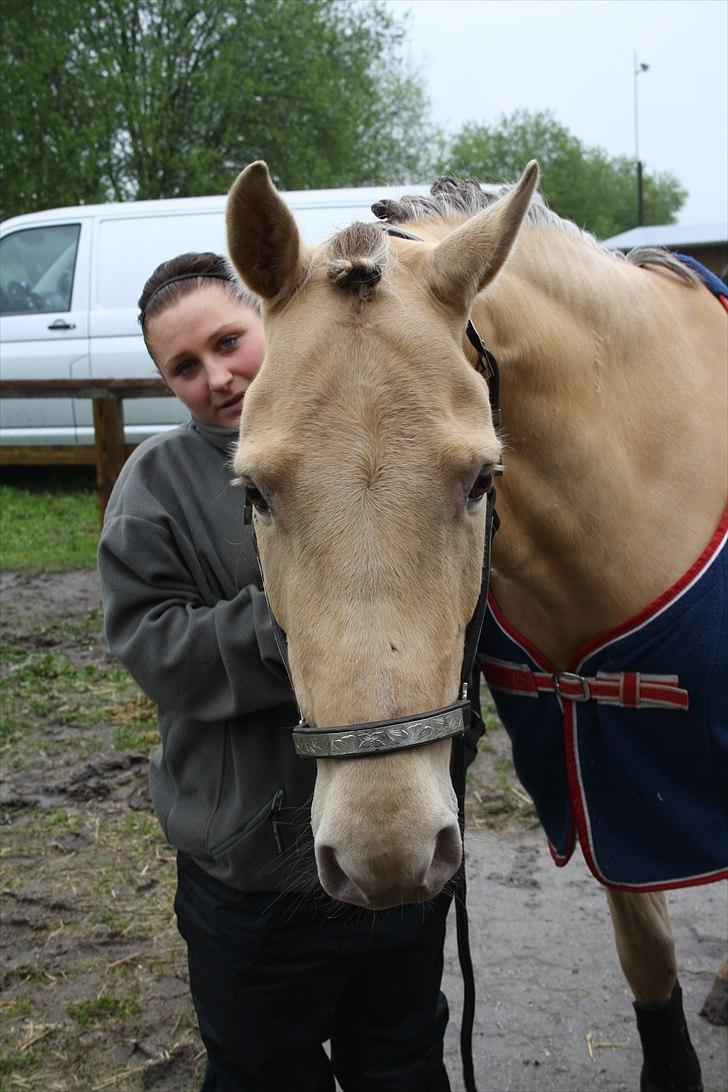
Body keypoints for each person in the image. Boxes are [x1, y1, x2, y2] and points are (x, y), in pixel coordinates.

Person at [97, 252, 453, 1092]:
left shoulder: (374, 447)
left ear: (268, 319)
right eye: (184, 367)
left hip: (396, 843)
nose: (218, 376)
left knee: (402, 1062)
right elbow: (153, 646)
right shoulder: (157, 484)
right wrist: (299, 617)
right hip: (250, 873)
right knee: (263, 1073)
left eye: (229, 340)